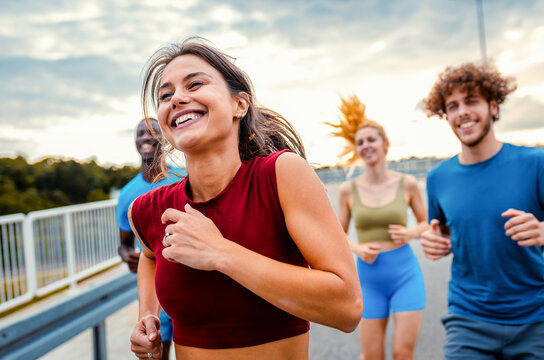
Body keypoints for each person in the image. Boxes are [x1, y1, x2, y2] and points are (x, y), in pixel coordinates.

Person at [128, 37, 363, 360]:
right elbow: (150, 255)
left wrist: (220, 253)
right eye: (165, 95)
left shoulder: (281, 176)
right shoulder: (147, 210)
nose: (177, 99)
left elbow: (347, 308)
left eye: (194, 84)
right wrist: (147, 315)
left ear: (240, 104)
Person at [422, 62, 544, 359]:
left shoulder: (535, 162)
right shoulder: (437, 178)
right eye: (452, 106)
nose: (461, 111)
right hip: (468, 318)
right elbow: (447, 233)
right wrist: (435, 242)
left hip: (536, 316)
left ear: (493, 107)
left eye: (471, 101)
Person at [328, 95, 428, 360]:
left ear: (385, 144)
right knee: (372, 356)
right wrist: (358, 248)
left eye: (371, 140)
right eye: (360, 142)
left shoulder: (407, 183)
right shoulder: (349, 190)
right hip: (369, 279)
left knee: (402, 352)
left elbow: (426, 224)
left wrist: (409, 233)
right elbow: (337, 235)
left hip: (405, 274)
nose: (366, 146)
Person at [116, 118, 181, 360]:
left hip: (192, 282)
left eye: (153, 132)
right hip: (155, 289)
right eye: (140, 133)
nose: (145, 137)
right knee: (157, 351)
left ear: (165, 138)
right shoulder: (127, 194)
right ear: (135, 141)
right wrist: (128, 257)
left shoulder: (185, 179)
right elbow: (123, 244)